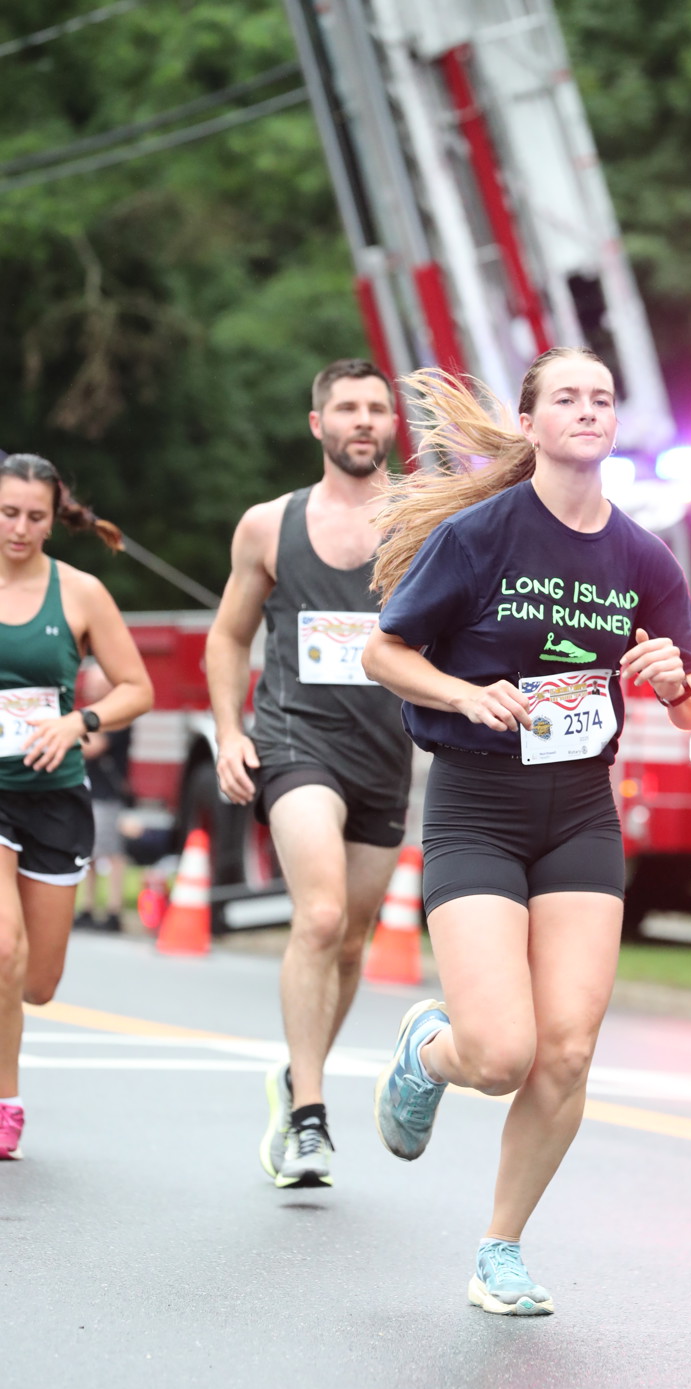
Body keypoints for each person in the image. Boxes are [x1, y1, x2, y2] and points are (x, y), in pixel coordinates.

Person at [362, 349, 691, 1315]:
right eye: (567, 397)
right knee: (499, 1054)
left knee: (565, 1050)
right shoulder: (480, 537)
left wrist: (675, 682)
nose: (589, 410)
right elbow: (384, 652)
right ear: (530, 424)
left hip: (580, 812)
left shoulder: (643, 558)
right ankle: (430, 1051)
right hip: (477, 804)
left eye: (602, 398)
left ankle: (501, 1250)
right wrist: (462, 694)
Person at [206, 358, 412, 1190]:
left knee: (352, 938)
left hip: (385, 752)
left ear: (392, 425)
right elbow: (228, 636)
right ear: (317, 424)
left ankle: (300, 1078)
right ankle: (311, 1119)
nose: (363, 421)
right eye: (348, 408)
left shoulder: (426, 523)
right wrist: (229, 733)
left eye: (377, 408)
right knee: (320, 915)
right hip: (296, 743)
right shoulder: (269, 525)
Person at [0, 454, 153, 1161]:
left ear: (53, 518)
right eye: (7, 513)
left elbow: (136, 688)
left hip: (55, 796)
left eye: (34, 516)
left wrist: (78, 723)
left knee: (36, 983)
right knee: (3, 949)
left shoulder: (81, 592)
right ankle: (7, 1100)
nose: (19, 528)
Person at [74, 665, 133, 934]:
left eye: (97, 683)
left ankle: (113, 911)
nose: (91, 688)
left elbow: (94, 747)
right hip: (88, 789)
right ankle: (86, 908)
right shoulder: (88, 714)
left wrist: (68, 737)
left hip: (107, 794)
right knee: (88, 853)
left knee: (111, 852)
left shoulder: (117, 715)